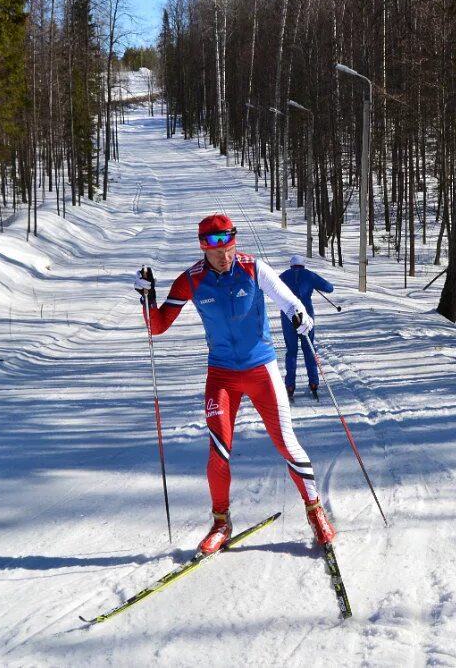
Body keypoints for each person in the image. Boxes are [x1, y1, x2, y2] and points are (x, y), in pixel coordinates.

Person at [133, 214, 336, 554]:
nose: (224, 256)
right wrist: (147, 299)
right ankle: (221, 522)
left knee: (287, 444)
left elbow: (288, 300)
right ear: (202, 247)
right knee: (219, 452)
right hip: (222, 376)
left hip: (262, 371)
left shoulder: (253, 268)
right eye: (215, 249)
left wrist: (300, 315)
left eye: (229, 246)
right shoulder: (191, 280)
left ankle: (315, 512)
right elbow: (157, 327)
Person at [279, 255, 335, 402]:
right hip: (306, 318)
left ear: (291, 266)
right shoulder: (309, 275)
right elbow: (329, 288)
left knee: (291, 351)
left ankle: (290, 385)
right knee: (309, 350)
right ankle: (314, 383)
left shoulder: (284, 276)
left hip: (288, 318)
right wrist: (312, 284)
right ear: (303, 265)